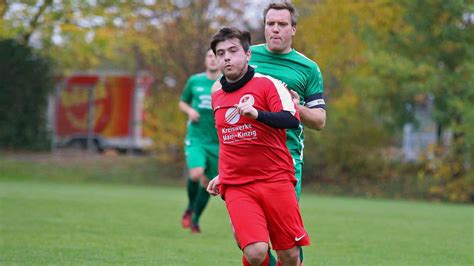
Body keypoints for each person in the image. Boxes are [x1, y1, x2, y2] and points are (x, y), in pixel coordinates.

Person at [207, 27, 310, 266]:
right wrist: (223, 174)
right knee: (255, 252)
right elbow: (229, 140)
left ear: (248, 54)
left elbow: (291, 119)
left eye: (233, 51)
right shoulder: (217, 95)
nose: (227, 57)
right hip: (238, 184)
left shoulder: (269, 85)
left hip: (275, 179)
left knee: (289, 255)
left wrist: (257, 115)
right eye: (221, 53)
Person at [179, 49, 220, 233]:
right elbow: (182, 101)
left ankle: (195, 219)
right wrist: (189, 111)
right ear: (205, 60)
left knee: (207, 183)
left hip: (217, 143)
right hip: (196, 138)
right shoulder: (195, 81)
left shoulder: (225, 83)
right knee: (196, 174)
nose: (212, 60)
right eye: (209, 56)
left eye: (215, 56)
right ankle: (189, 206)